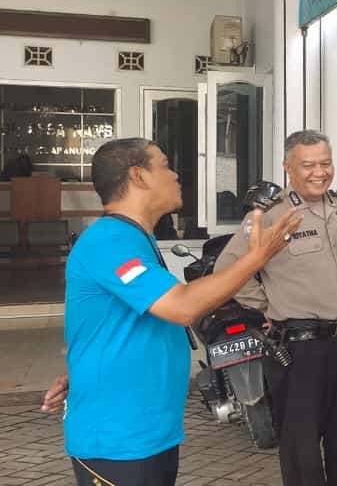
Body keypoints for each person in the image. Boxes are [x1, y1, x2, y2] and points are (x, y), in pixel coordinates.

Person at [44, 138, 298, 486]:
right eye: (164, 165)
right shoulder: (110, 241)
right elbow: (182, 306)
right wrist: (257, 257)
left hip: (150, 433)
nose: (176, 175)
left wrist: (85, 371)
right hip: (117, 441)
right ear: (138, 176)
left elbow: (110, 324)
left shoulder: (135, 238)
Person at [214, 130, 337, 486]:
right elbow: (228, 268)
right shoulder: (270, 215)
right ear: (288, 167)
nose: (320, 172)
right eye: (308, 165)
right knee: (302, 450)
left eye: (325, 163)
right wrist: (265, 305)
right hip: (300, 349)